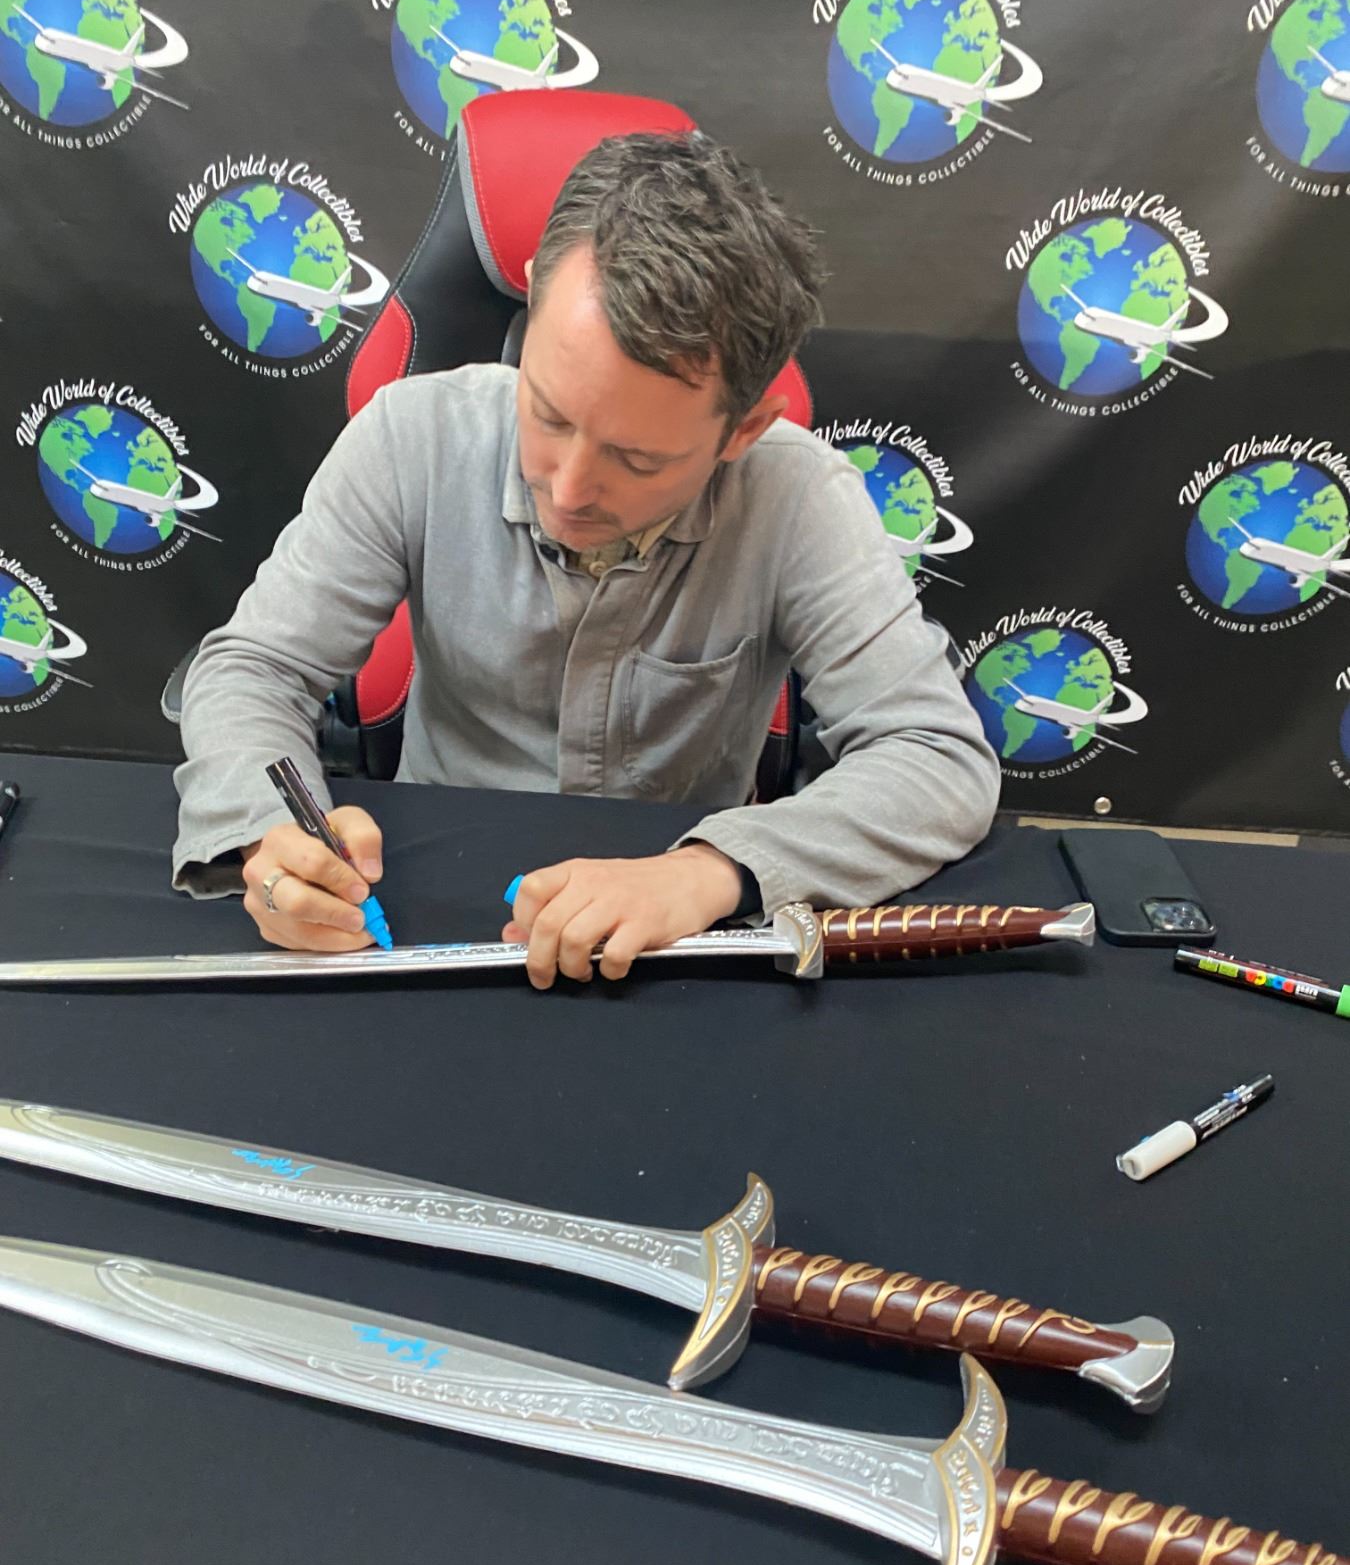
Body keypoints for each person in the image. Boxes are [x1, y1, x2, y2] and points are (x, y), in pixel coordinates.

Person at [173, 130, 1000, 988]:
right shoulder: (411, 437)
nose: (566, 491)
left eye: (637, 460)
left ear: (744, 430)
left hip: (672, 934)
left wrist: (708, 872)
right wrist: (269, 835)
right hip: (425, 904)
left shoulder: (798, 497)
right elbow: (254, 669)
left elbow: (936, 757)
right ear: (533, 300)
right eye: (548, 414)